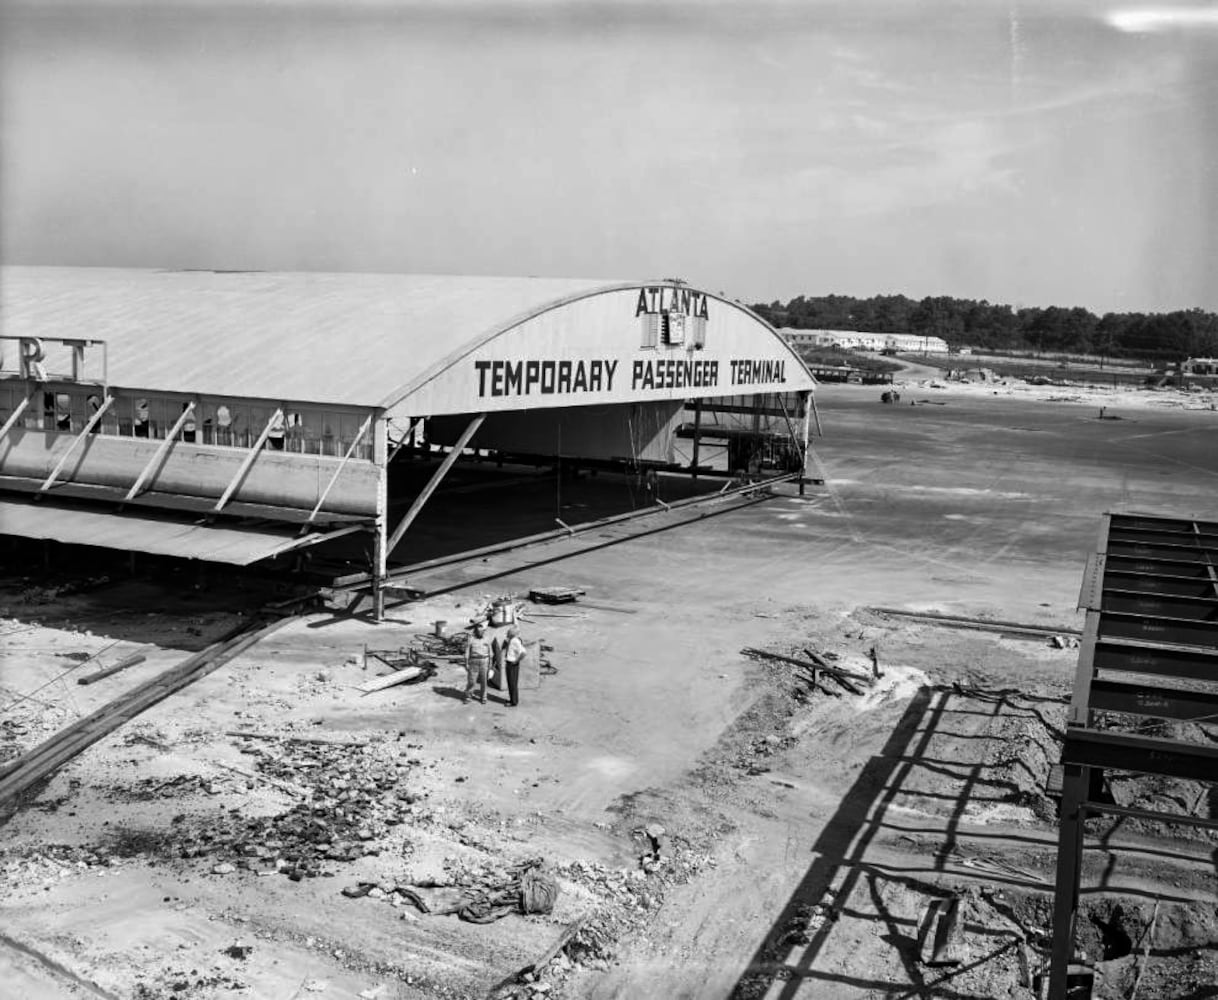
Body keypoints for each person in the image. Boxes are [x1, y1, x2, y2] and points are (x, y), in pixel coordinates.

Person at [463, 621, 492, 704]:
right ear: (475, 631)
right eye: (479, 631)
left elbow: (491, 652)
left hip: (484, 661)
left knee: (484, 681)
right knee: (472, 680)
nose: (481, 633)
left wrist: (490, 664)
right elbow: (467, 652)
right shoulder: (471, 639)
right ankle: (468, 696)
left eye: (483, 631)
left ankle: (483, 697)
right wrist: (466, 663)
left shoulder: (487, 638)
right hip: (473, 661)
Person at [503, 626, 527, 708]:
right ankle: (512, 699)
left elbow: (523, 653)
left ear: (512, 634)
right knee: (511, 683)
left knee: (512, 683)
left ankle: (513, 702)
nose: (507, 634)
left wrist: (516, 661)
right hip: (510, 663)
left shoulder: (515, 641)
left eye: (508, 633)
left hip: (512, 664)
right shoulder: (512, 640)